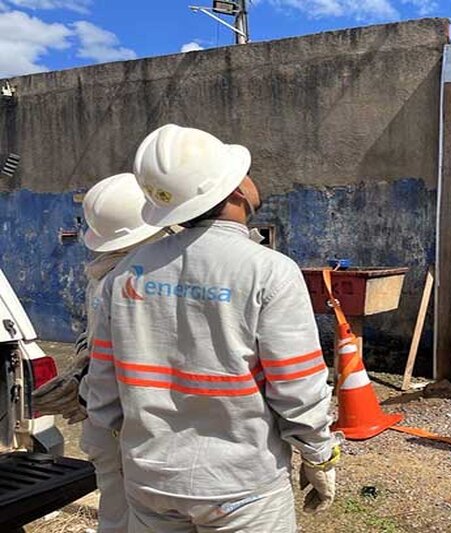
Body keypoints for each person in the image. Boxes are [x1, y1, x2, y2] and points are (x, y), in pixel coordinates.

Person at [84, 124, 338, 532]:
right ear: (236, 188)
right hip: (240, 489)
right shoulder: (269, 271)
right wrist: (319, 453)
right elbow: (297, 386)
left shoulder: (125, 275)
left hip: (150, 482)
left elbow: (103, 385)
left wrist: (117, 453)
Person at [34, 172, 169, 532]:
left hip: (109, 422)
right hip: (139, 425)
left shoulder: (103, 274)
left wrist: (83, 382)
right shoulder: (149, 278)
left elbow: (93, 344)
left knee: (117, 513)